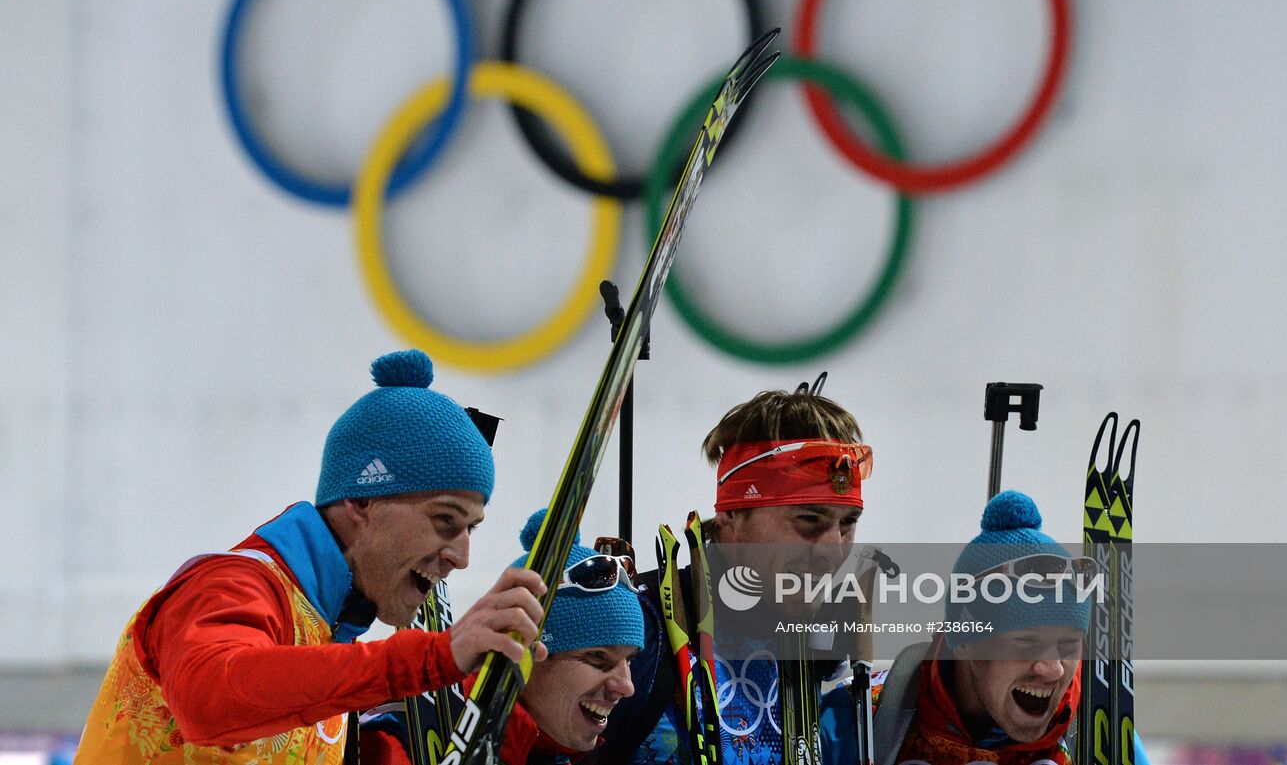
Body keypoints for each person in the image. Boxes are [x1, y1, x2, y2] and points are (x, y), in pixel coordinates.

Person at [74, 349, 549, 764]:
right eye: (445, 520)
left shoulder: (329, 642)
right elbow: (207, 698)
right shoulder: (228, 584)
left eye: (471, 528)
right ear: (361, 502)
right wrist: (434, 658)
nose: (462, 556)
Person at [594, 376, 872, 765]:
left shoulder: (827, 642)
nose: (833, 550)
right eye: (809, 519)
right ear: (731, 514)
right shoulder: (642, 632)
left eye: (848, 523)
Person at [822, 490, 1148, 765]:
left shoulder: (1104, 733)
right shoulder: (857, 720)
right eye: (1026, 641)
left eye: (1068, 643)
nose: (1052, 670)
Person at [362, 508, 646, 765]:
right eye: (597, 657)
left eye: (629, 660)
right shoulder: (395, 740)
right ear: (524, 655)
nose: (626, 686)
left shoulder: (550, 751)